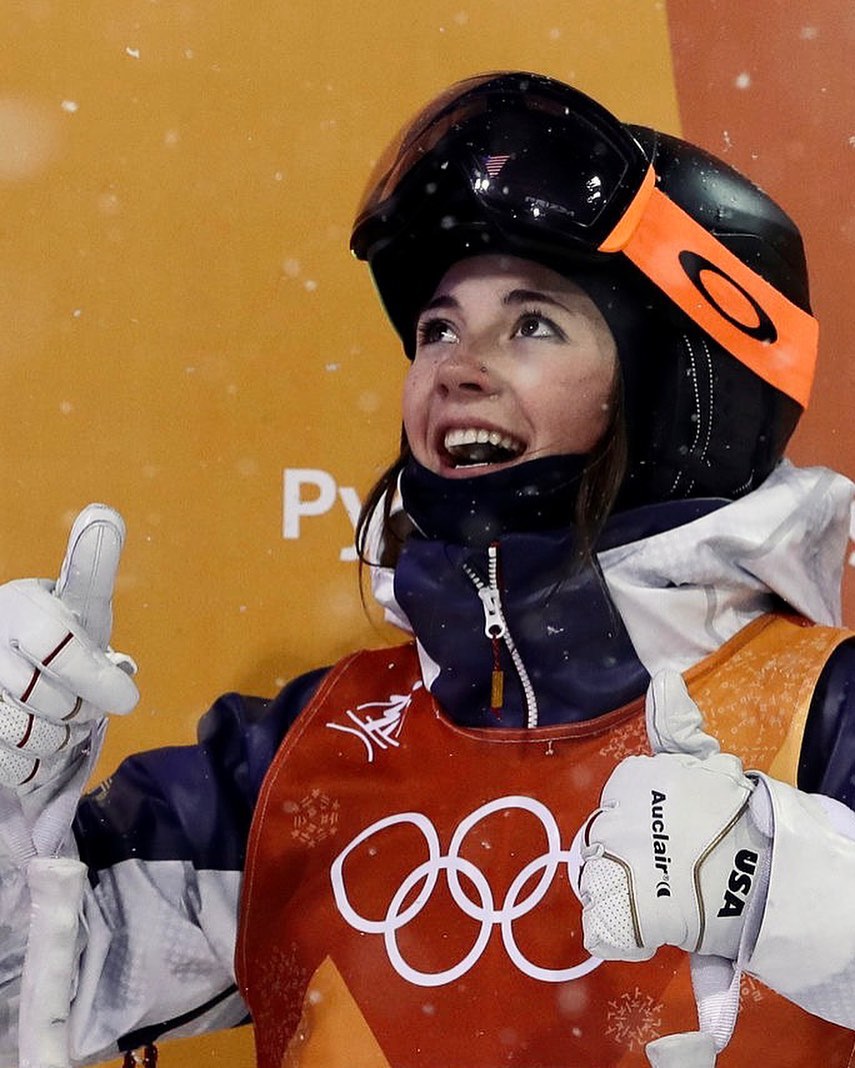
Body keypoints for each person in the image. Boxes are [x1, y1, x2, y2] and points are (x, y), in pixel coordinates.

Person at [0, 70, 853, 1068]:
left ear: (675, 390)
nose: (455, 366)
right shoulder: (298, 755)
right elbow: (28, 996)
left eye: (531, 324)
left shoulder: (824, 714)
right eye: (437, 328)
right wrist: (12, 815)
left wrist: (791, 890)